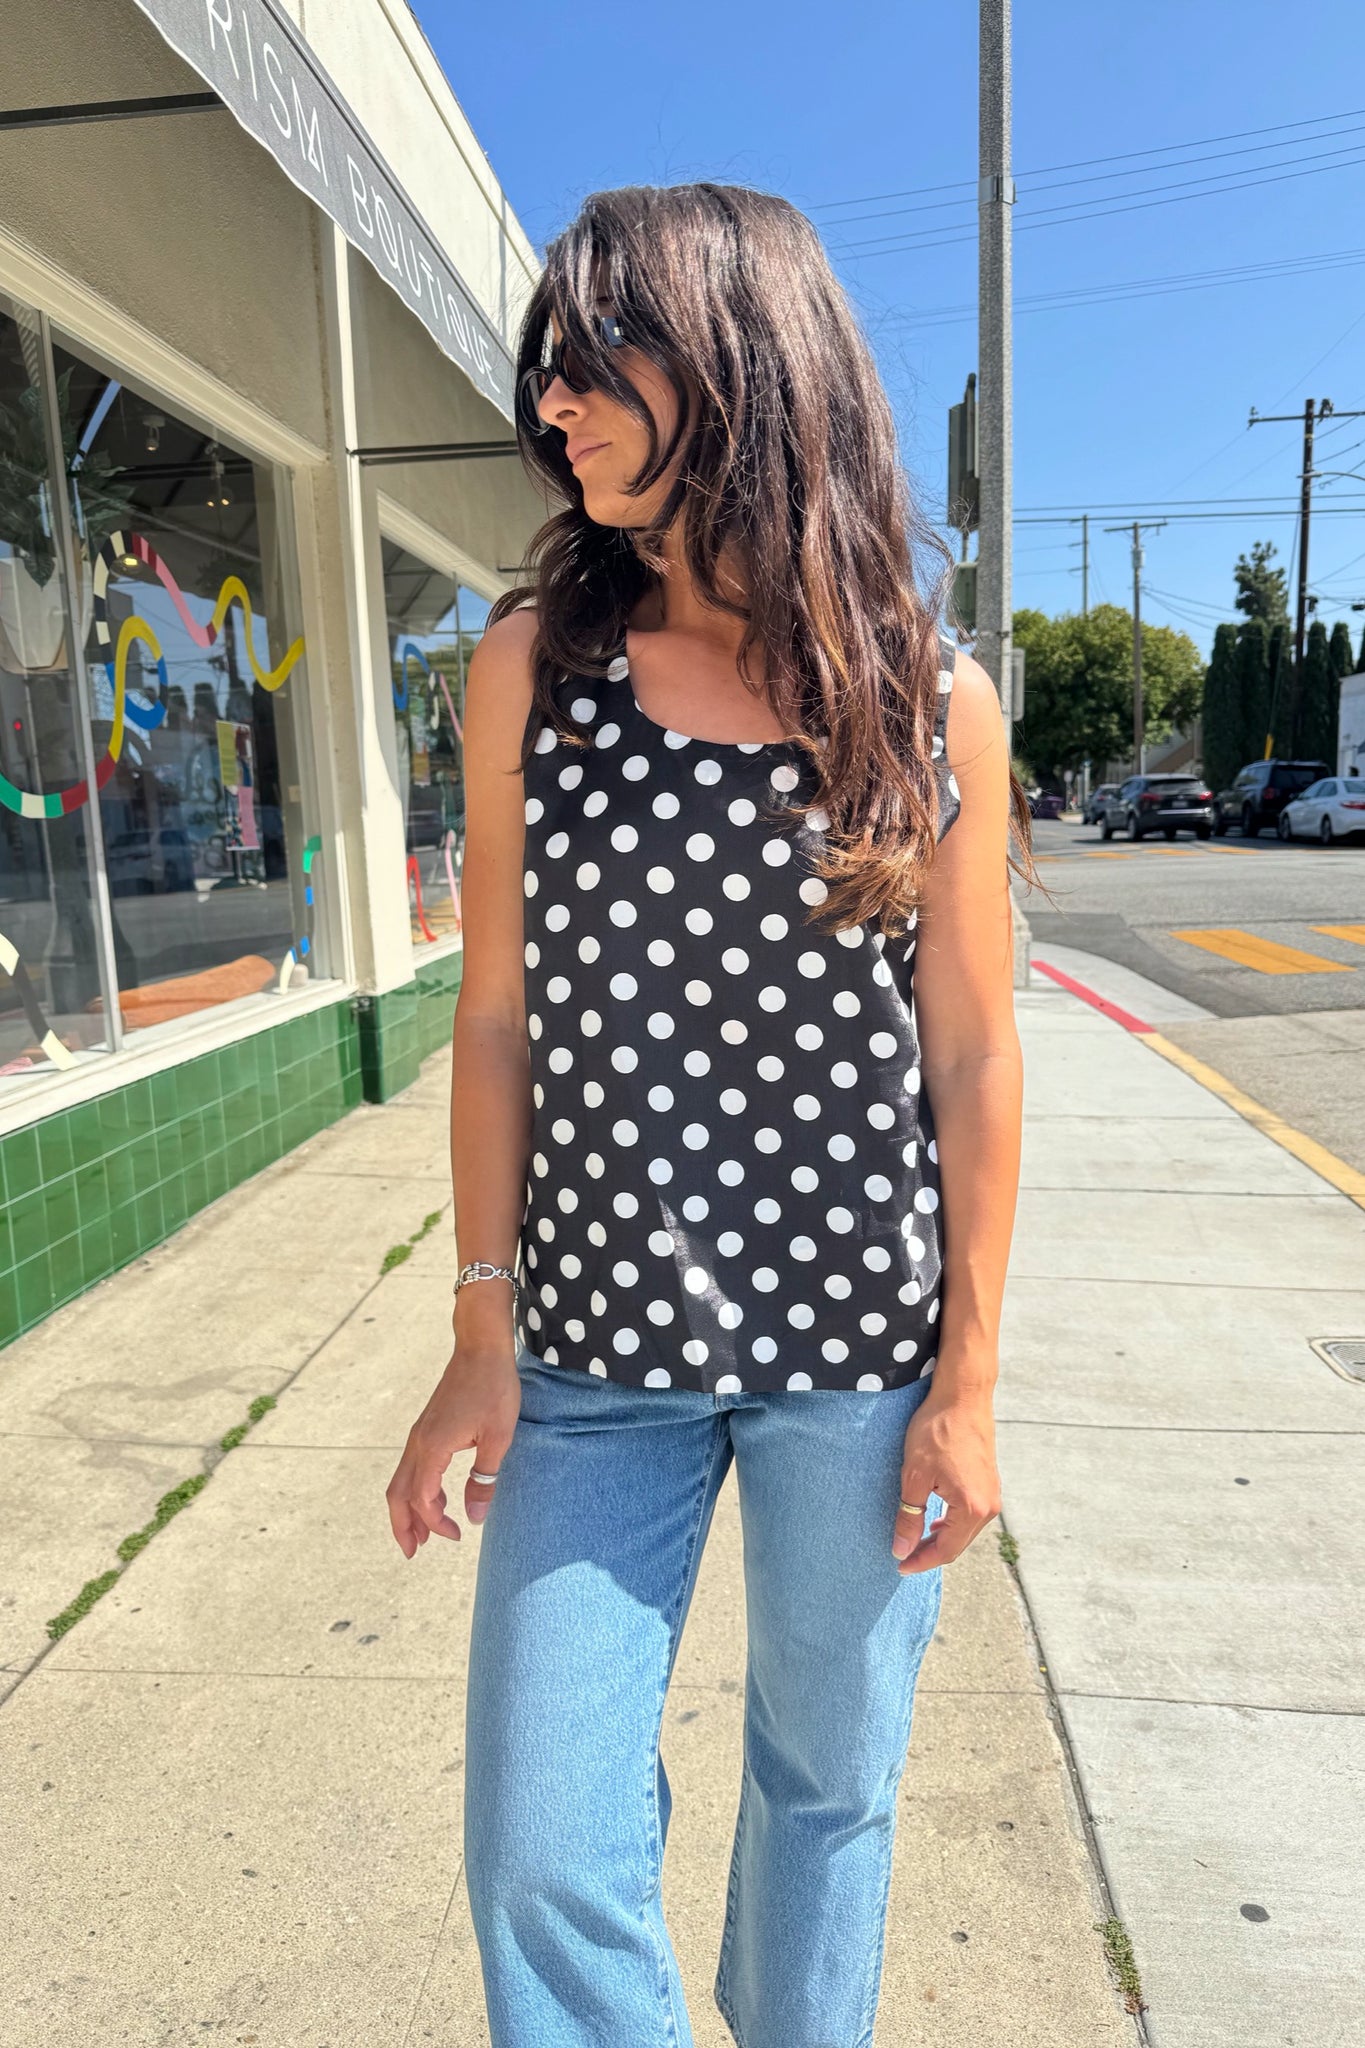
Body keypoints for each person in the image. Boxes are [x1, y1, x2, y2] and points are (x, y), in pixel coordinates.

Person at [386, 182, 1031, 2048]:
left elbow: (973, 1056)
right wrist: (479, 1331)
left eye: (594, 364)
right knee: (542, 1841)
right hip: (592, 1360)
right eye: (548, 373)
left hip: (858, 1362)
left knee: (828, 1790)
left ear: (742, 367)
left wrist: (968, 1382)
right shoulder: (536, 671)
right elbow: (493, 1018)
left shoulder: (926, 702)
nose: (551, 407)